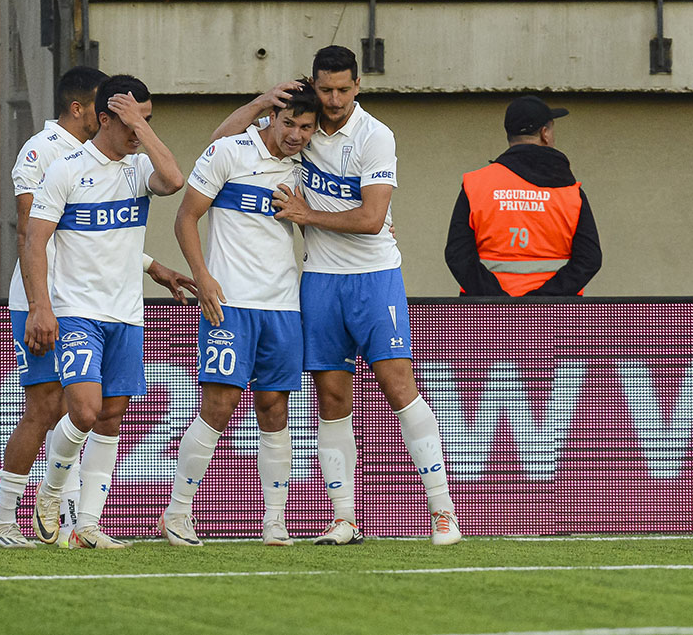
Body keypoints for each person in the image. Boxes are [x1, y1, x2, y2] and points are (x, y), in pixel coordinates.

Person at [214, 45, 463, 546]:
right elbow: (219, 145)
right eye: (325, 89)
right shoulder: (298, 128)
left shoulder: (374, 135)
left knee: (398, 387)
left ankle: (443, 511)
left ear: (357, 87)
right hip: (319, 279)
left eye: (342, 90)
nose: (332, 99)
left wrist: (308, 217)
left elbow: (372, 220)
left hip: (374, 277)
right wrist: (264, 101)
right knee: (331, 397)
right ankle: (344, 518)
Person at [0, 68, 195, 550]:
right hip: (65, 306)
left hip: (124, 313)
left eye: (147, 122)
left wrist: (141, 127)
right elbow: (32, 239)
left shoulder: (137, 169)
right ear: (101, 116)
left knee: (110, 415)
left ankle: (87, 526)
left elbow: (174, 179)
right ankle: (17, 512)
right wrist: (41, 306)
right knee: (63, 408)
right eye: (131, 121)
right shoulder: (57, 162)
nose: (140, 132)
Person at [159, 81, 320, 547]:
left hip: (283, 306)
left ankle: (274, 522)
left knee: (276, 409)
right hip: (229, 303)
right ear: (272, 116)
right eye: (289, 122)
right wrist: (202, 275)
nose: (296, 134)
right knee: (220, 406)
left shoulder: (305, 165)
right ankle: (178, 513)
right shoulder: (230, 150)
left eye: (306, 127)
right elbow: (184, 217)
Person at [444, 95, 602, 296]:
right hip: (555, 315)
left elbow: (458, 254)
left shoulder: (475, 185)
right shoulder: (571, 192)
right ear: (544, 133)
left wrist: (497, 300)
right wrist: (541, 301)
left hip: (485, 315)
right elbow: (590, 259)